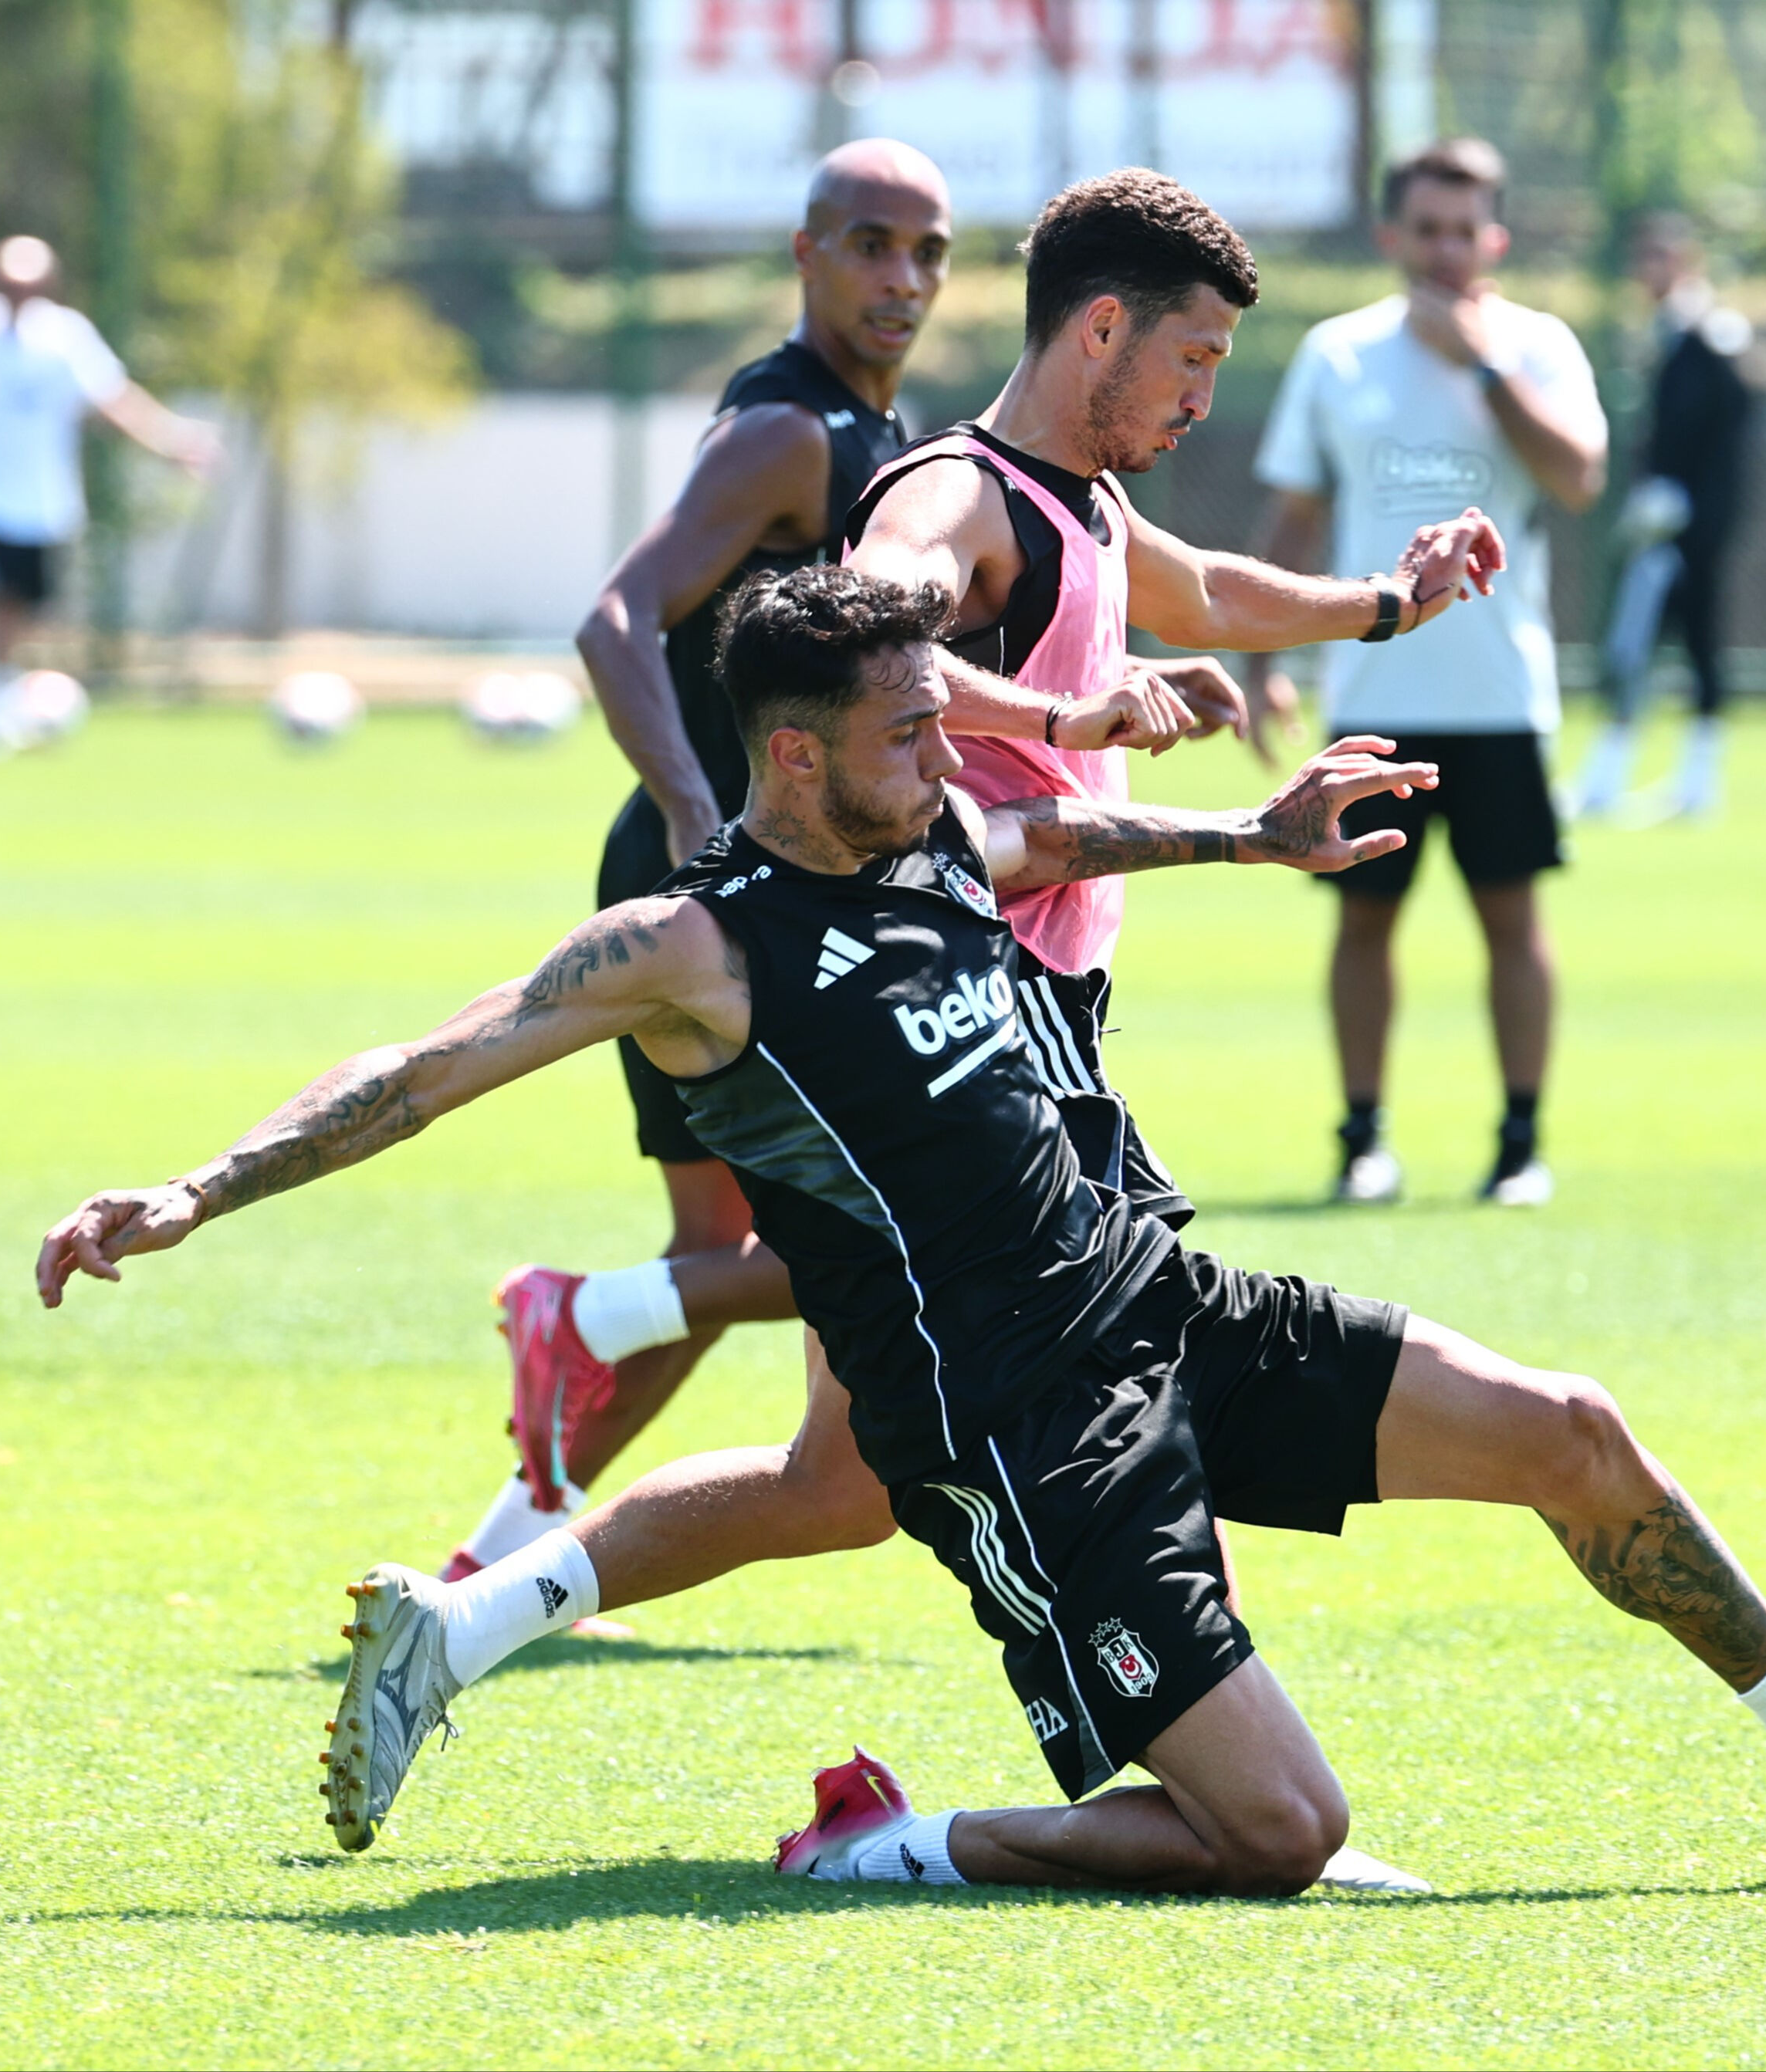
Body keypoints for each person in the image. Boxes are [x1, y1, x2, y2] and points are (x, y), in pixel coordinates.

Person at [32, 563, 1766, 1893]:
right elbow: (432, 1059)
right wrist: (194, 1190)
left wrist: (1245, 833)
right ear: (792, 749)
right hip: (1019, 1427)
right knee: (1284, 1835)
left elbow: (1058, 825)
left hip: (1167, 1298)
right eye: (914, 730)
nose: (955, 760)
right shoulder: (691, 943)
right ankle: (899, 1843)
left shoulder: (929, 833)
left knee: (1568, 1423)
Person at [452, 165, 1496, 1599]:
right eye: (1191, 361)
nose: (1200, 399)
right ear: (1102, 330)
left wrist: (1392, 601)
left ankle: (470, 1608)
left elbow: (1206, 593)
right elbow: (872, 642)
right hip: (960, 1004)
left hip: (1029, 986)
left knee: (839, 1480)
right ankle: (1180, 1738)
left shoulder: (1089, 505)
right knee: (1113, 1362)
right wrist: (1070, 723)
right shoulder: (951, 489)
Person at [1248, 138, 1609, 1208]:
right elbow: (1291, 514)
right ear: (1389, 236)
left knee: (1510, 917)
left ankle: (1517, 1143)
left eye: (1467, 229)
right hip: (1372, 693)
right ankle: (1361, 1140)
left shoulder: (1537, 346)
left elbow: (1579, 479)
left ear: (1493, 238)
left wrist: (1481, 367)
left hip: (1497, 697)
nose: (1447, 250)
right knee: (1362, 918)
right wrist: (1260, 656)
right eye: (1427, 229)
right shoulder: (1336, 353)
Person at [0, 235, 217, 715]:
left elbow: (113, 400)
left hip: (44, 501)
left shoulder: (66, 336)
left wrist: (172, 442)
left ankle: (10, 686)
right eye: (9, 285)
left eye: (31, 286)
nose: (20, 296)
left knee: (25, 604)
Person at [1569, 212, 1758, 823]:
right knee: (1646, 642)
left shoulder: (1709, 334)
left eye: (1660, 257)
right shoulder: (1666, 333)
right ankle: (1625, 775)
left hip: (1690, 528)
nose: (1648, 270)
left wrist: (1686, 501)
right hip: (1668, 522)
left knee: (1673, 642)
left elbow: (1724, 428)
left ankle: (1677, 780)